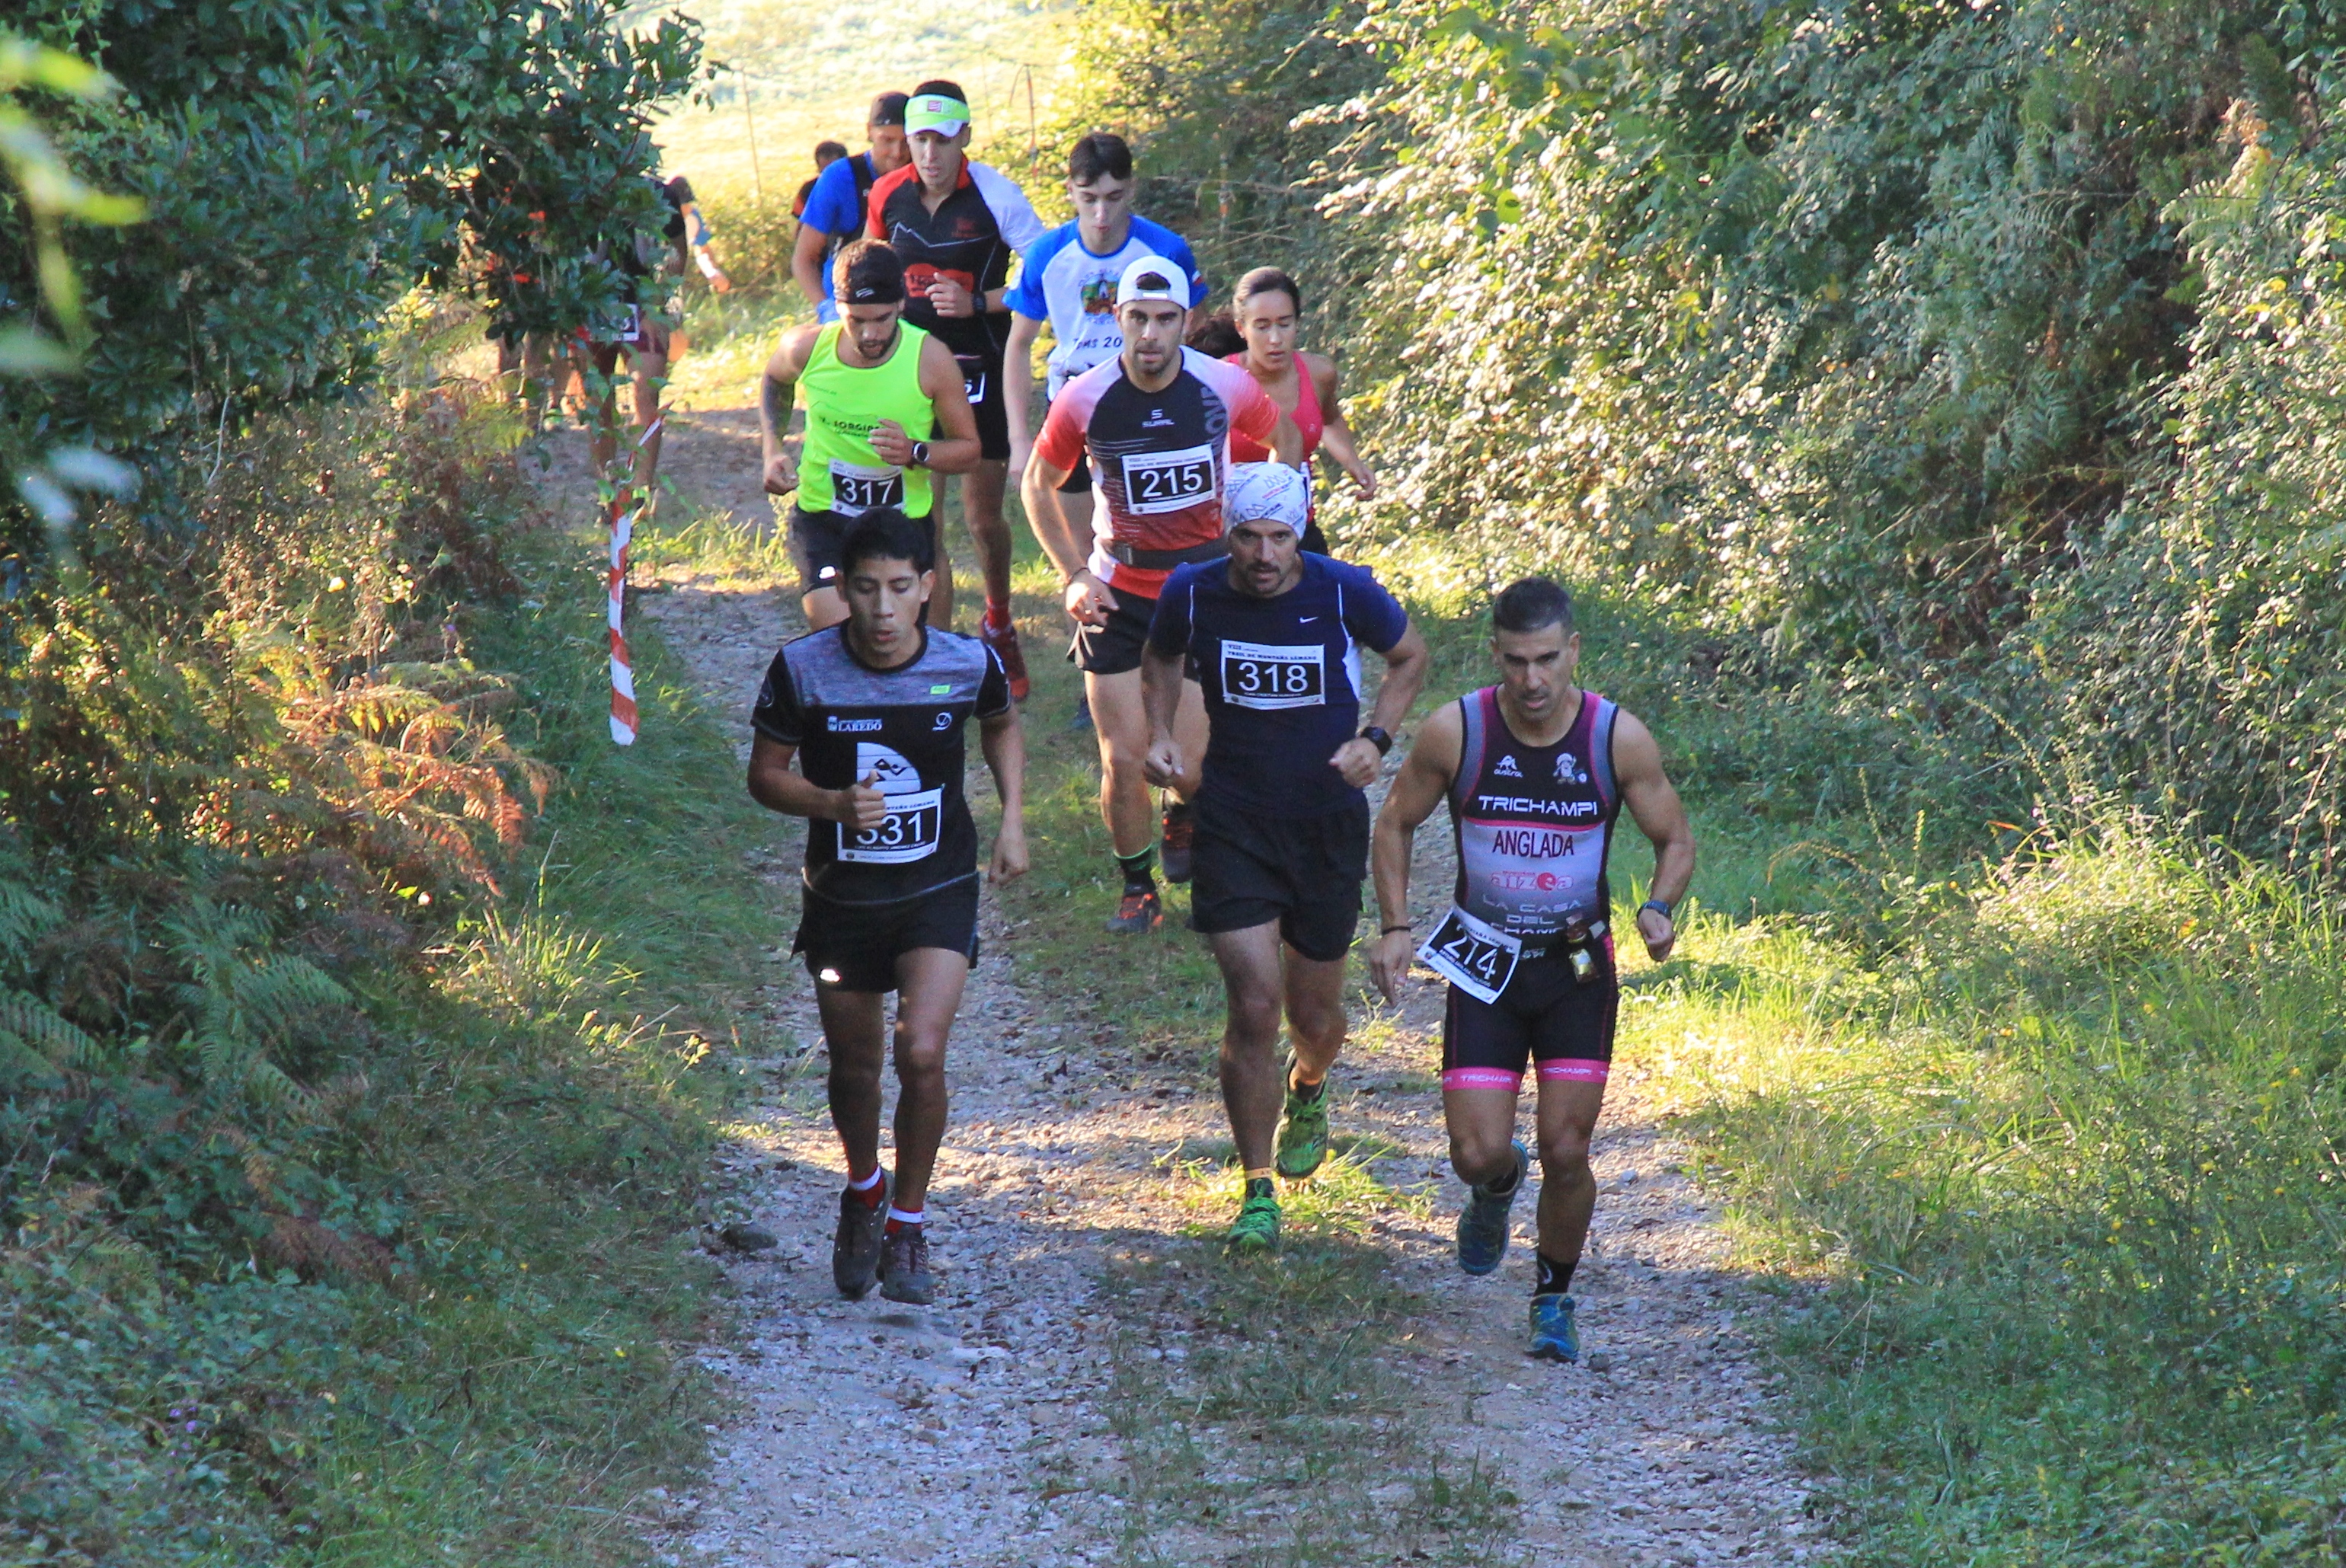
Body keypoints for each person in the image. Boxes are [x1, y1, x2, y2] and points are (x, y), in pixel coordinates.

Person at [1366, 577, 1695, 1362]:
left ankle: (1552, 1295)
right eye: (1515, 661)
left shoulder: (1615, 738)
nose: (1532, 680)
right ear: (1495, 656)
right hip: (1486, 970)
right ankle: (1493, 1188)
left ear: (1573, 650)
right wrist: (1394, 926)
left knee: (1569, 1148)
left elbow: (1673, 838)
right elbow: (1394, 822)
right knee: (1476, 1153)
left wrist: (1657, 905)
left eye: (1547, 659)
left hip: (1573, 968)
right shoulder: (1458, 731)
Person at [1140, 464, 1429, 1250]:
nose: (1263, 554)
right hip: (1231, 821)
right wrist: (1161, 732)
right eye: (1247, 536)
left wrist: (1375, 739)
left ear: (1299, 531)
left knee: (1314, 1016)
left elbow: (1409, 655)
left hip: (1322, 825)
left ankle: (1308, 1085)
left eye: (1278, 537)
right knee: (1253, 1007)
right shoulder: (1193, 591)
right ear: (1224, 531)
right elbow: (1159, 656)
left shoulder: (1341, 590)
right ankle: (1257, 1190)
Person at [746, 506, 1028, 1306]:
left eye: (899, 588)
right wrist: (830, 802)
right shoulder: (803, 669)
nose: (879, 609)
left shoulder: (964, 662)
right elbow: (763, 776)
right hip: (842, 896)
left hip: (937, 885)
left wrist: (1011, 819)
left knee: (923, 1053)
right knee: (856, 1065)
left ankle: (907, 1222)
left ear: (926, 588)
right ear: (842, 589)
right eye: (863, 588)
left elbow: (1002, 727)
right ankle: (863, 1190)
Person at [1021, 256, 1302, 932]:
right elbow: (1037, 483)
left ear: (1186, 322)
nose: (1150, 334)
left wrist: (1269, 519)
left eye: (1165, 320)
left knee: (1193, 764)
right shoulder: (1084, 397)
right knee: (1123, 756)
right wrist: (1074, 576)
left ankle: (1183, 816)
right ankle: (1136, 884)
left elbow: (1284, 437)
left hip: (1204, 587)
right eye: (1137, 319)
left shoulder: (1223, 384)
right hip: (1118, 591)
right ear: (1118, 319)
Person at [867, 81, 1044, 683]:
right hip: (911, 371)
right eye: (920, 139)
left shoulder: (996, 195)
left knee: (983, 518)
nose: (930, 153)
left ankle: (999, 620)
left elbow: (1049, 272)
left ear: (965, 137)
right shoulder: (887, 195)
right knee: (924, 519)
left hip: (981, 369)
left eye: (943, 139)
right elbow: (867, 271)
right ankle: (932, 649)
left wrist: (981, 300)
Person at [1002, 133, 1207, 602]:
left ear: (1131, 190)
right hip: (1074, 402)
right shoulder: (1047, 255)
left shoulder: (1165, 249)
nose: (1101, 215)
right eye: (1089, 198)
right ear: (1070, 191)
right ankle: (1096, 630)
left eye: (1113, 198)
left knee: (1151, 537)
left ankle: (1166, 625)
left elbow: (1192, 333)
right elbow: (1018, 346)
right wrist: (1019, 440)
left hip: (1150, 396)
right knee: (1085, 557)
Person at [759, 241, 983, 631]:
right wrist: (772, 448)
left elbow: (969, 451)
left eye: (880, 319)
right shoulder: (807, 347)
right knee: (842, 641)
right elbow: (775, 380)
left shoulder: (930, 359)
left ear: (900, 304)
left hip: (900, 528)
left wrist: (915, 451)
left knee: (901, 652)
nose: (869, 334)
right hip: (826, 519)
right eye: (855, 320)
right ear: (837, 309)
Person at [571, 171, 730, 507]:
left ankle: (642, 490)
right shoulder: (578, 190)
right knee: (598, 398)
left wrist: (658, 303)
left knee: (646, 392)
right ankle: (607, 487)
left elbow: (678, 250)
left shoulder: (659, 194)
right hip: (592, 301)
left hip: (644, 301)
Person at [1221, 267, 1374, 556]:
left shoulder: (1319, 373)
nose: (1275, 339)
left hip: (1298, 530)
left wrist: (1353, 462)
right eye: (1262, 326)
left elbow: (1329, 420)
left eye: (1284, 324)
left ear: (1297, 324)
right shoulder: (1218, 379)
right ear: (1241, 328)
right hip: (1232, 541)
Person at [793, 93, 910, 323]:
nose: (898, 152)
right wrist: (825, 308)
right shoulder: (840, 177)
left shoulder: (925, 176)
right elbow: (803, 258)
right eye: (887, 140)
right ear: (869, 132)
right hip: (847, 311)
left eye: (906, 142)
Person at [794, 140, 850, 220]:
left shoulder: (857, 186)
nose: (829, 177)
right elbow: (799, 221)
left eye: (833, 172)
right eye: (824, 172)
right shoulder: (808, 189)